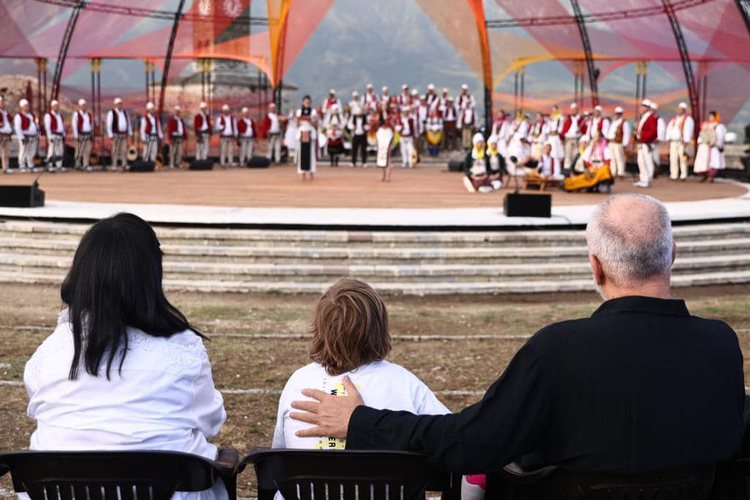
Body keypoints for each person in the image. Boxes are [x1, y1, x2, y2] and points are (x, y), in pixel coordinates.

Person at [289, 194, 744, 498]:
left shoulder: (558, 350)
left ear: (596, 268)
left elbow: (469, 444)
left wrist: (361, 421)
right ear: (673, 254)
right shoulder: (721, 345)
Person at [24, 213, 227, 500]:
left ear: (82, 272)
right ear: (151, 275)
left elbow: (39, 406)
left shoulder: (51, 352)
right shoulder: (184, 350)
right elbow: (211, 421)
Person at [272, 278, 448, 451]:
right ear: (379, 330)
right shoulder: (405, 384)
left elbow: (278, 457)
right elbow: (451, 441)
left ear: (319, 328)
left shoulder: (298, 382)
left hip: (303, 473)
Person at [693, 111, 727, 183]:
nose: (710, 118)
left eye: (711, 116)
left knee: (713, 162)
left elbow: (720, 137)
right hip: (704, 147)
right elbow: (702, 134)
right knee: (702, 162)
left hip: (713, 147)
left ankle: (710, 176)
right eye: (709, 116)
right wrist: (701, 141)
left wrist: (715, 143)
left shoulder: (719, 126)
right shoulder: (705, 125)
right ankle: (704, 175)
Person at [665, 102, 695, 181]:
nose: (679, 110)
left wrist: (686, 140)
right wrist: (668, 139)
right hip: (673, 141)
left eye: (681, 109)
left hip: (682, 142)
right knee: (673, 158)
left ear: (684, 110)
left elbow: (689, 130)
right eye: (678, 109)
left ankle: (683, 175)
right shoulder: (674, 119)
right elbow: (669, 129)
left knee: (683, 159)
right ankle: (673, 175)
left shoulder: (688, 119)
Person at [634, 99, 658, 188]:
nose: (641, 108)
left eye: (643, 106)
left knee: (647, 161)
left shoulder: (651, 117)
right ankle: (643, 179)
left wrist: (642, 135)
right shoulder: (642, 117)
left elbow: (653, 131)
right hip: (641, 142)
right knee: (641, 161)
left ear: (648, 108)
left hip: (646, 142)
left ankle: (648, 179)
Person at [14, 98, 39, 173]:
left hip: (33, 136)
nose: (27, 107)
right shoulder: (19, 116)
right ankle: (22, 165)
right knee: (23, 151)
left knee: (32, 151)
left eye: (28, 106)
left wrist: (38, 134)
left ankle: (30, 165)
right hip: (25, 136)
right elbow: (17, 127)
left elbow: (36, 125)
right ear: (22, 107)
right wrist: (21, 137)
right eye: (25, 106)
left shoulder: (32, 115)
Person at [107, 97, 132, 171]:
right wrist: (110, 134)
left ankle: (124, 164)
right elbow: (109, 124)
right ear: (115, 105)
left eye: (121, 104)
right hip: (116, 134)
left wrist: (130, 132)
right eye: (118, 104)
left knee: (124, 150)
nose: (120, 105)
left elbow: (128, 122)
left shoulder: (125, 112)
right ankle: (114, 164)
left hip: (123, 134)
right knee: (115, 150)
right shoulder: (112, 113)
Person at [605, 107, 630, 178]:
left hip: (618, 143)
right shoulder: (613, 122)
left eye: (618, 114)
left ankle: (620, 172)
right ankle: (613, 172)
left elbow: (626, 133)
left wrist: (625, 144)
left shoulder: (623, 122)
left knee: (619, 158)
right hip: (611, 142)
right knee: (612, 158)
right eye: (616, 113)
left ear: (621, 114)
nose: (616, 115)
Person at [296, 102, 317, 181]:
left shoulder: (313, 112)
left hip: (310, 133)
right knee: (301, 154)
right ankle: (302, 172)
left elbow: (316, 124)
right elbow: (297, 124)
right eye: (305, 102)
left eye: (308, 102)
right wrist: (300, 120)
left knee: (311, 154)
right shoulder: (299, 112)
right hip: (302, 133)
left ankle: (311, 172)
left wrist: (310, 120)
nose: (306, 104)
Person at [43, 99, 66, 172]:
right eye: (55, 106)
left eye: (57, 106)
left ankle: (59, 165)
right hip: (53, 135)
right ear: (52, 107)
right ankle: (49, 166)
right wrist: (49, 136)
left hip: (60, 135)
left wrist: (63, 134)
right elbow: (47, 127)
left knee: (60, 151)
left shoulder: (60, 115)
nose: (56, 107)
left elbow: (63, 126)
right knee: (52, 151)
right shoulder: (48, 115)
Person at [561, 102, 584, 172]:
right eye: (572, 109)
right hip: (568, 140)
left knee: (576, 155)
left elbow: (584, 129)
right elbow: (564, 130)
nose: (574, 111)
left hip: (577, 140)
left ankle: (575, 171)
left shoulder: (581, 119)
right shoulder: (568, 119)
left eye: (575, 109)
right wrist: (563, 139)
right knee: (568, 156)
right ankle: (567, 171)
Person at [72, 98, 93, 171]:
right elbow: (74, 126)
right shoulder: (76, 114)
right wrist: (76, 136)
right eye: (83, 105)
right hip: (80, 135)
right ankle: (77, 164)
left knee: (87, 150)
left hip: (87, 134)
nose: (84, 107)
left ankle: (85, 164)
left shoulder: (88, 114)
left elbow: (91, 124)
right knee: (79, 151)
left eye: (85, 105)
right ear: (80, 106)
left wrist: (91, 133)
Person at [375, 102, 394, 182]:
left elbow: (390, 123)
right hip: (381, 132)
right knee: (381, 153)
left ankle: (388, 175)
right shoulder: (378, 115)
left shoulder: (390, 115)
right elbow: (376, 123)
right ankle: (383, 174)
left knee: (388, 153)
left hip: (388, 132)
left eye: (385, 105)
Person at [348, 100, 368, 167]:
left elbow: (368, 125)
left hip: (363, 134)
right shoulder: (353, 117)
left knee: (363, 149)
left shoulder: (365, 117)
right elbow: (349, 125)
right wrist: (353, 127)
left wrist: (365, 127)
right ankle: (353, 162)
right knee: (354, 149)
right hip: (355, 135)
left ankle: (364, 162)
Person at [457, 84, 476, 149]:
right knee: (463, 132)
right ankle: (464, 145)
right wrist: (461, 108)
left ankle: (468, 145)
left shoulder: (470, 97)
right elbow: (457, 105)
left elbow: (473, 104)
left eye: (465, 90)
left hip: (469, 116)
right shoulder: (459, 97)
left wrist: (468, 106)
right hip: (462, 116)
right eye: (463, 90)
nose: (464, 91)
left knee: (469, 133)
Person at [0, 95, 12, 174]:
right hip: (0, 134)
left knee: (6, 152)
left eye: (3, 102)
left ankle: (5, 168)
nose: (3, 104)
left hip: (6, 135)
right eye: (1, 102)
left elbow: (10, 120)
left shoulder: (6, 112)